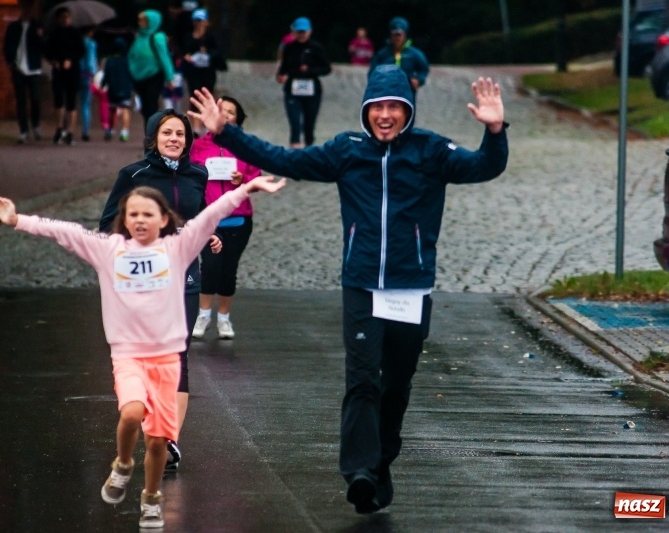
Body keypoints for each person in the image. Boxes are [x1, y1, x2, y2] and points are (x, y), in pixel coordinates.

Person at [188, 65, 508, 513]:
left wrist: (494, 131)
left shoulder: (431, 150)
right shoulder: (347, 150)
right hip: (361, 285)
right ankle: (358, 471)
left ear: (408, 110)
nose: (385, 114)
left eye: (394, 106)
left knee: (396, 385)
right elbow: (284, 159)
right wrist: (227, 133)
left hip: (411, 289)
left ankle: (380, 465)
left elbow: (483, 166)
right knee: (362, 380)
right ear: (366, 109)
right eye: (377, 106)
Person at [0, 179, 284, 529]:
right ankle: (123, 464)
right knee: (131, 413)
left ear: (164, 219)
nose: (140, 220)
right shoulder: (108, 250)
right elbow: (65, 231)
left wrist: (246, 189)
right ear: (124, 219)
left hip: (167, 359)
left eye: (148, 214)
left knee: (158, 441)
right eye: (133, 214)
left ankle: (151, 499)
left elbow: (209, 216)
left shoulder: (176, 248)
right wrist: (17, 219)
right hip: (128, 355)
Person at [99, 109, 209, 472]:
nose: (174, 139)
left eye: (180, 134)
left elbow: (202, 216)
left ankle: (168, 438)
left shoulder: (198, 174)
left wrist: (210, 235)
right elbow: (108, 224)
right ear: (153, 138)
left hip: (185, 274)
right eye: (167, 133)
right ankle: (148, 419)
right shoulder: (133, 175)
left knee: (179, 352)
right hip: (144, 277)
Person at [189, 96, 261, 340]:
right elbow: (188, 175)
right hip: (208, 219)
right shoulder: (198, 146)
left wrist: (244, 180)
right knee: (209, 267)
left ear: (238, 119)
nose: (226, 114)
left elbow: (257, 178)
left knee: (229, 270)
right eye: (222, 110)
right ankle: (203, 315)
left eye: (231, 112)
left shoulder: (245, 146)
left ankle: (224, 318)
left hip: (238, 221)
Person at [276, 17, 331, 148]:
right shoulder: (289, 48)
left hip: (312, 92)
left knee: (309, 124)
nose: (301, 35)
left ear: (310, 31)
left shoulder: (316, 48)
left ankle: (308, 150)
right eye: (299, 32)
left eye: (304, 32)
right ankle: (294, 152)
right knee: (295, 123)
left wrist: (310, 70)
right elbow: (283, 67)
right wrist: (280, 76)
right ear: (294, 32)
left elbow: (326, 68)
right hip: (293, 91)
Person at [2, 0, 45, 144]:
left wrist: (40, 36)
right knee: (20, 100)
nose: (27, 10)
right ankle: (23, 131)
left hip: (33, 68)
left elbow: (43, 47)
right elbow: (6, 46)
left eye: (30, 7)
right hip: (18, 68)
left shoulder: (37, 26)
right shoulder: (13, 27)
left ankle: (36, 125)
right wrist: (10, 62)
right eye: (25, 7)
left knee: (36, 98)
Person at [128, 10, 174, 133]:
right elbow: (132, 56)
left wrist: (169, 77)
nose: (140, 23)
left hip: (154, 75)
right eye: (139, 20)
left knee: (151, 104)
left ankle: (153, 133)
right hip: (139, 77)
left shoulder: (157, 37)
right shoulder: (139, 37)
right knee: (145, 107)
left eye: (143, 20)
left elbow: (164, 57)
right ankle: (149, 132)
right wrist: (132, 71)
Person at [45, 7, 85, 145]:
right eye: (62, 17)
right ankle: (59, 129)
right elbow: (48, 51)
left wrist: (71, 60)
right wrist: (53, 61)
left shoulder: (75, 33)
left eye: (67, 17)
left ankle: (70, 132)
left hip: (72, 71)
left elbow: (81, 51)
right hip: (58, 71)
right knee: (58, 100)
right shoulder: (54, 34)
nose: (65, 19)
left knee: (71, 101)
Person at [181, 8, 223, 137]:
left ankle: (208, 125)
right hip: (193, 71)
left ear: (206, 21)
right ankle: (196, 127)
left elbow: (218, 51)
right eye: (196, 20)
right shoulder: (188, 35)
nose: (198, 23)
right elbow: (184, 50)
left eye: (201, 20)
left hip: (208, 71)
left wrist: (208, 53)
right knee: (194, 96)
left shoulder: (211, 36)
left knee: (207, 95)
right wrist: (187, 56)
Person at [368, 17, 429, 97]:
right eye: (395, 35)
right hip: (386, 93)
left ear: (405, 35)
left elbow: (424, 69)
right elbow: (373, 73)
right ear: (391, 35)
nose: (397, 38)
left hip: (407, 92)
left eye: (399, 35)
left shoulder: (414, 54)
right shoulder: (382, 54)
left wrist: (418, 79)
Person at [101, 37, 133, 142]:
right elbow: (132, 74)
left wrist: (102, 84)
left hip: (113, 88)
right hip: (125, 88)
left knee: (112, 110)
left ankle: (110, 130)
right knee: (125, 109)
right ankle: (124, 132)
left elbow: (106, 75)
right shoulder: (127, 60)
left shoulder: (110, 61)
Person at [79, 26, 98, 142]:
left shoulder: (76, 42)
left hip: (76, 74)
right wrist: (93, 74)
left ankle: (66, 129)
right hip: (86, 75)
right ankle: (85, 131)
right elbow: (91, 61)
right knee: (85, 104)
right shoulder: (91, 44)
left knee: (70, 104)